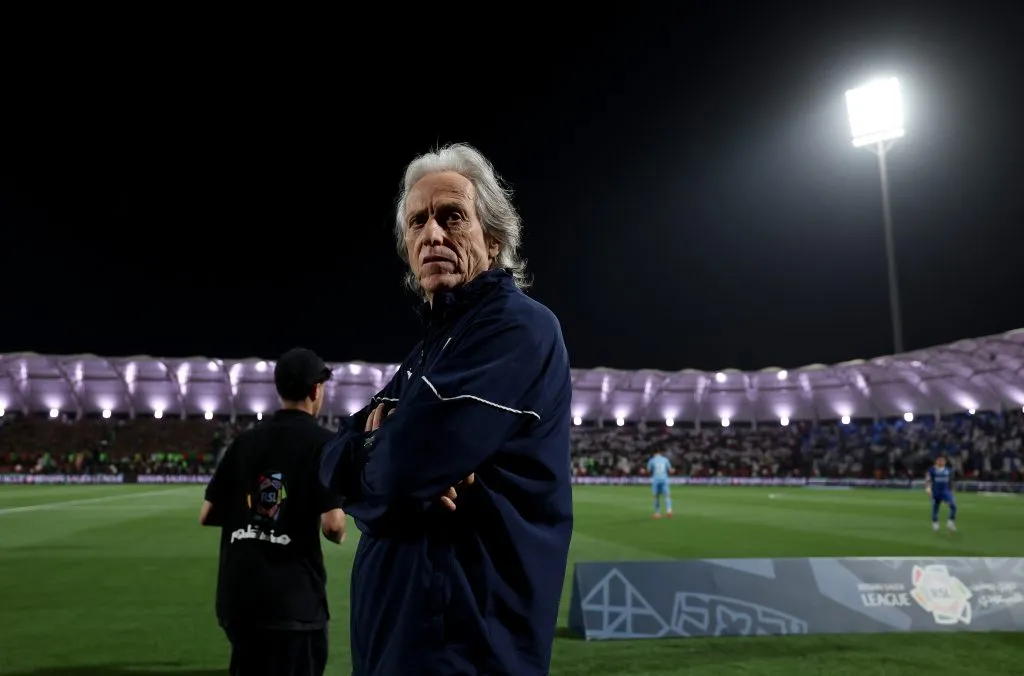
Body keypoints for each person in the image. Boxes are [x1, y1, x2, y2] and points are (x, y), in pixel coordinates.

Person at [320, 143, 573, 676]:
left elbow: (402, 469)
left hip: (464, 649)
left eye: (451, 217)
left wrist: (379, 466)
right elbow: (332, 463)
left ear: (494, 236)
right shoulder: (431, 351)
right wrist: (375, 457)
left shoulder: (518, 328)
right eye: (417, 222)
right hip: (404, 644)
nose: (431, 235)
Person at [200, 347, 347, 676]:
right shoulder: (323, 442)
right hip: (292, 602)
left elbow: (207, 514)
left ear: (279, 389)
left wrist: (252, 519)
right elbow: (333, 527)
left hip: (238, 599)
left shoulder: (244, 441)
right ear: (315, 390)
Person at [925, 454, 957, 532]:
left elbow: (951, 481)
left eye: (942, 460)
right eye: (939, 460)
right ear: (936, 461)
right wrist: (928, 489)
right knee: (935, 509)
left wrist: (952, 489)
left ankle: (950, 522)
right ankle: (935, 524)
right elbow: (928, 480)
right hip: (936, 492)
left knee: (953, 506)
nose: (941, 461)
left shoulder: (948, 470)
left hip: (946, 492)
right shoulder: (931, 470)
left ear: (945, 462)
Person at [647, 450, 673, 519]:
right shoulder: (665, 459)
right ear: (660, 453)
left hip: (656, 480)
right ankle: (669, 511)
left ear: (654, 453)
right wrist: (673, 470)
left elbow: (649, 470)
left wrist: (643, 471)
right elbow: (670, 470)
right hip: (664, 479)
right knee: (667, 496)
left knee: (656, 496)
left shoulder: (652, 460)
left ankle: (657, 513)